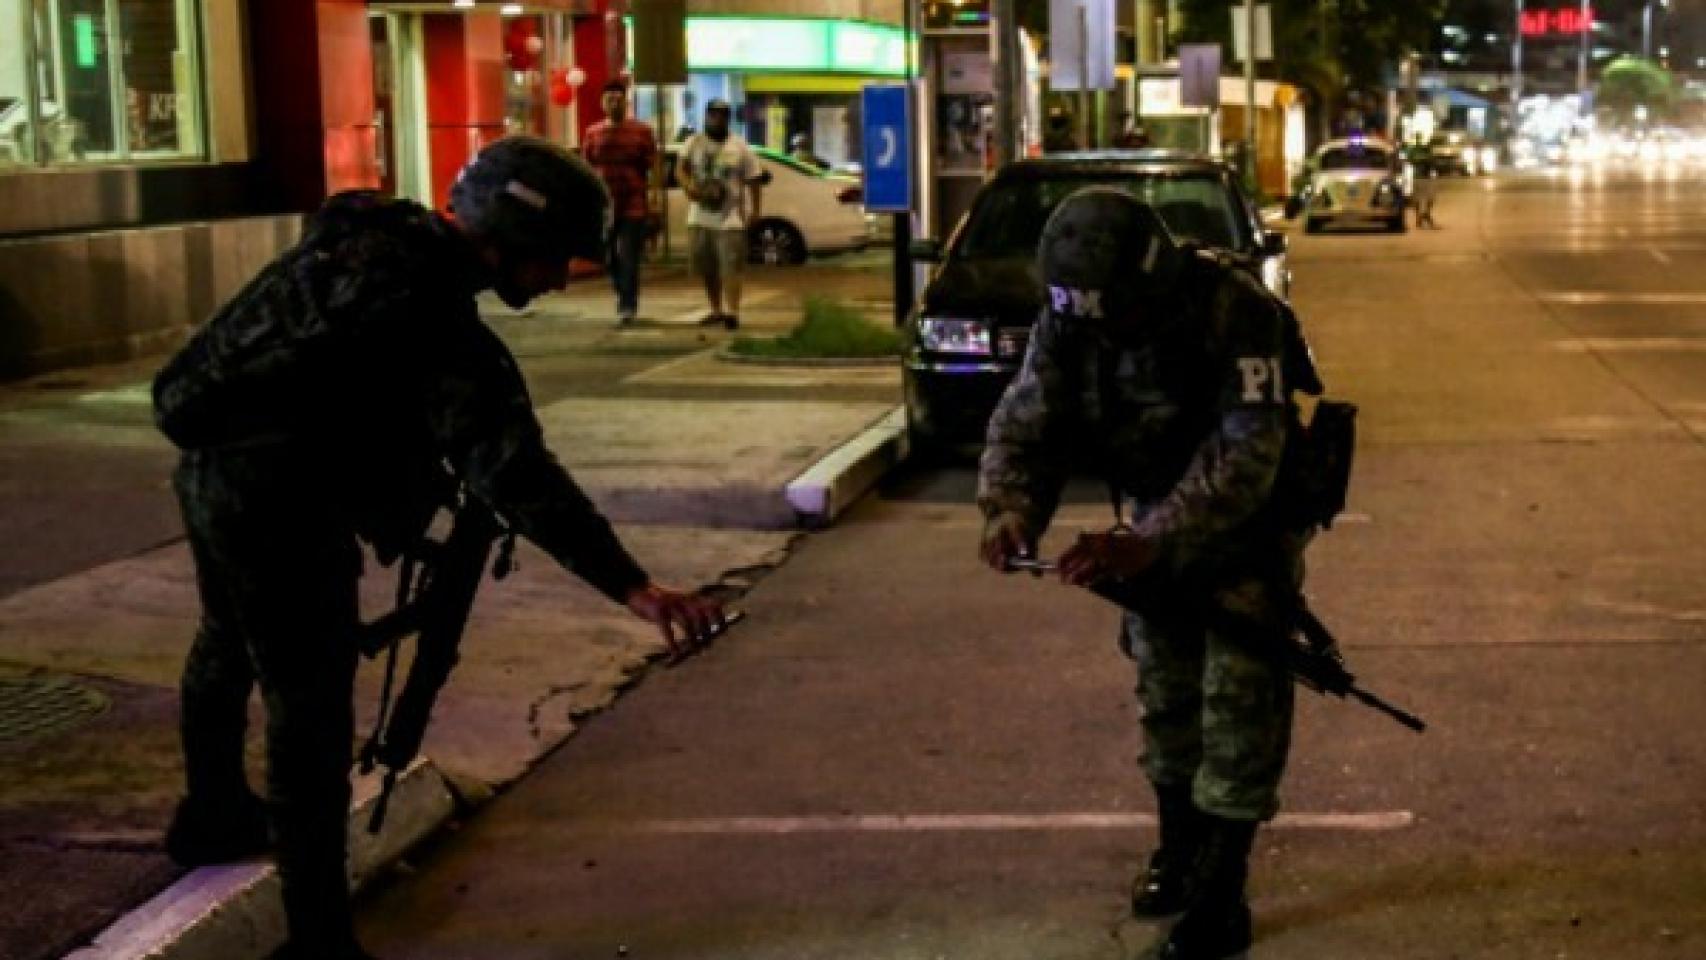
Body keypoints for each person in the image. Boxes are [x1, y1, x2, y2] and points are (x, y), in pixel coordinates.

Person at [151, 136, 726, 960]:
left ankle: (210, 812)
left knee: (224, 641)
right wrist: (633, 588)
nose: (561, 279)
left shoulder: (366, 245)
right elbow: (516, 470)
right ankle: (318, 940)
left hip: (208, 473)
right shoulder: (428, 314)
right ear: (508, 238)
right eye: (553, 259)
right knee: (308, 707)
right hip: (279, 504)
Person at [978, 188, 1315, 960]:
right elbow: (1027, 422)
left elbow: (1247, 457)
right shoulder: (1072, 318)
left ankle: (1222, 892)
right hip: (1152, 523)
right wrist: (1009, 510)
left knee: (1237, 699)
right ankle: (1179, 852)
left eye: (1119, 313)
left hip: (1246, 532)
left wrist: (1150, 537)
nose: (1107, 331)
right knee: (1166, 695)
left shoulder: (1237, 311)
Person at [677, 99, 764, 330]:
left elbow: (754, 178)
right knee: (708, 267)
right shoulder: (693, 143)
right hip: (700, 215)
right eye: (713, 114)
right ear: (706, 116)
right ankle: (716, 309)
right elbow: (681, 169)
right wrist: (688, 186)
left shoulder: (740, 147)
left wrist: (755, 210)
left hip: (731, 215)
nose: (718, 119)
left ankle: (732, 311)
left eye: (723, 115)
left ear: (729, 118)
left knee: (731, 265)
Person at [583, 79, 658, 325]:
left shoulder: (642, 131)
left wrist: (654, 198)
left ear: (626, 102)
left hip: (633, 201)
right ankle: (621, 288)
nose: (614, 103)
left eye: (618, 98)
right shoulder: (593, 133)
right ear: (602, 103)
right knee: (606, 253)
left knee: (628, 255)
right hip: (604, 203)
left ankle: (628, 304)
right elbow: (587, 167)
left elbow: (652, 166)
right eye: (609, 99)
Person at [1408, 140, 1438, 229]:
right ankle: (1419, 216)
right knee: (1417, 198)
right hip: (1417, 176)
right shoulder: (1413, 150)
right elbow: (1410, 160)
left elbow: (1433, 162)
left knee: (1430, 197)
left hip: (1426, 177)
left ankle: (1425, 214)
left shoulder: (1427, 150)